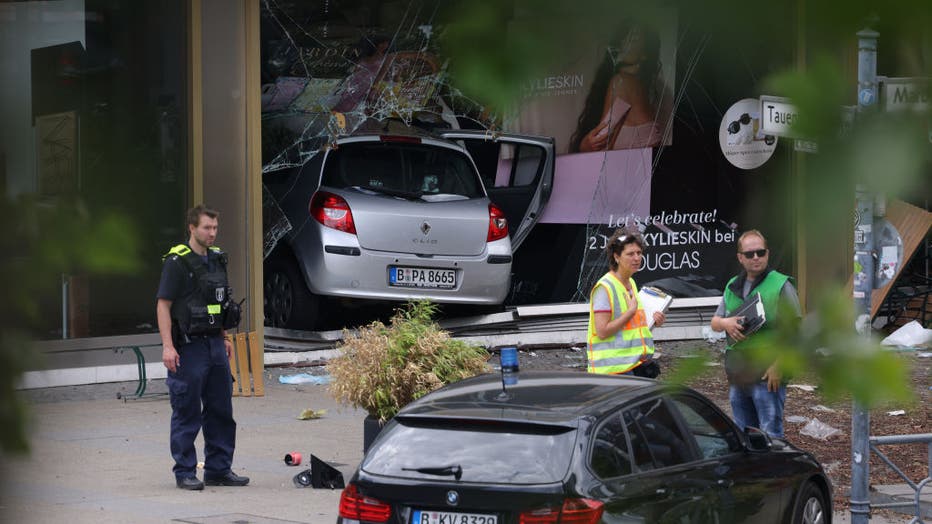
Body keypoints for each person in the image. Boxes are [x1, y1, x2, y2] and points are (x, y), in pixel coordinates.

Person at [157, 205, 248, 490]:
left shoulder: (218, 259)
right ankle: (185, 472)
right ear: (192, 228)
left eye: (215, 228)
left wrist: (223, 337)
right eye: (207, 227)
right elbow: (163, 305)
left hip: (214, 345)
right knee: (187, 411)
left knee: (221, 409)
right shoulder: (177, 261)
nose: (212, 233)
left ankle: (219, 469)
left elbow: (217, 304)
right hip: (189, 347)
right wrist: (168, 347)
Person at [710, 229, 802, 439]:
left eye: (760, 252)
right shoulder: (732, 285)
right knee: (743, 435)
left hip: (767, 374)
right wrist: (726, 323)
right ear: (740, 258)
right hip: (738, 373)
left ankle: (773, 471)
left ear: (767, 254)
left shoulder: (781, 284)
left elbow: (795, 332)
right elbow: (715, 322)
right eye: (750, 254)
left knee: (770, 435)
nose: (756, 258)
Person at [570, 22, 664, 153]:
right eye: (625, 36)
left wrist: (583, 146)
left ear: (645, 54)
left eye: (634, 38)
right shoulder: (638, 89)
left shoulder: (622, 82)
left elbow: (601, 143)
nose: (624, 41)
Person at [587, 229, 666, 376]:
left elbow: (631, 327)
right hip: (614, 371)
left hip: (635, 364)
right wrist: (630, 313)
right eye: (630, 254)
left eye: (639, 253)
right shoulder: (605, 287)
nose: (637, 258)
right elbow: (602, 331)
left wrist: (653, 320)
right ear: (616, 257)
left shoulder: (631, 283)